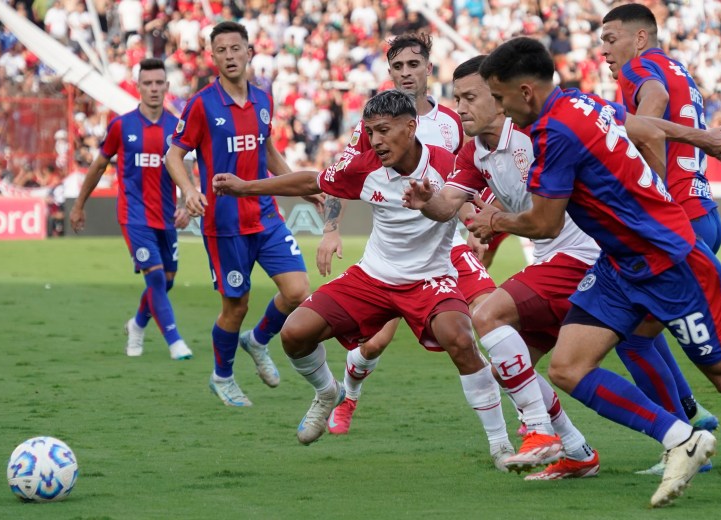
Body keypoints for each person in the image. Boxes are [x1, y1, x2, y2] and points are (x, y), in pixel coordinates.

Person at [470, 37, 721, 508]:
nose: (500, 108)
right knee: (568, 368)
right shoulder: (581, 103)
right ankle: (681, 439)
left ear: (526, 92)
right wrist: (661, 185)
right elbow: (646, 130)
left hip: (673, 265)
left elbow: (545, 224)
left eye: (500, 97)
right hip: (619, 266)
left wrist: (495, 221)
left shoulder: (556, 132)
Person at [405, 55, 721, 480]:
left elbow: (638, 127)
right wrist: (426, 201)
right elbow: (447, 205)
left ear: (499, 97)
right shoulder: (473, 153)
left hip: (584, 253)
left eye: (470, 97)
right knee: (513, 369)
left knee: (489, 316)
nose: (460, 107)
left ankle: (545, 431)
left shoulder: (537, 129)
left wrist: (699, 138)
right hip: (553, 258)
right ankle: (581, 450)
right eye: (456, 98)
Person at [213, 89, 510, 469]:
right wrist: (245, 187)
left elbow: (479, 196)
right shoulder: (363, 167)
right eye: (370, 132)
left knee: (462, 339)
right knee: (294, 333)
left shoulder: (446, 164)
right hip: (374, 276)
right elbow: (311, 182)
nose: (376, 141)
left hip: (430, 277)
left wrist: (481, 224)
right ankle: (327, 392)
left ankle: (501, 445)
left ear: (411, 127)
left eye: (384, 130)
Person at [318, 33, 494, 438]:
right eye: (397, 66)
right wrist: (331, 229)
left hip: (445, 246)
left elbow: (463, 178)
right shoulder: (376, 123)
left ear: (429, 68)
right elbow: (343, 175)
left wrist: (474, 223)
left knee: (491, 316)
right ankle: (348, 396)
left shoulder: (453, 121)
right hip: (394, 254)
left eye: (413, 64)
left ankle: (525, 418)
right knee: (374, 345)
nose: (405, 73)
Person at [164, 22, 313, 406]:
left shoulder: (263, 99)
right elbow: (173, 155)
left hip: (266, 215)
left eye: (236, 48)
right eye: (222, 50)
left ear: (249, 52)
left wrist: (298, 185)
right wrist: (190, 190)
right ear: (213, 57)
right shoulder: (202, 104)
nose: (229, 55)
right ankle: (223, 377)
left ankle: (258, 340)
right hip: (225, 224)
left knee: (298, 291)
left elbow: (267, 151)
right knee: (236, 307)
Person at [600, 3, 721, 448]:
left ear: (639, 38)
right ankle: (691, 414)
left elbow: (652, 109)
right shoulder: (677, 69)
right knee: (641, 331)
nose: (604, 51)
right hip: (702, 213)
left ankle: (685, 442)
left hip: (676, 222)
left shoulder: (637, 68)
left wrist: (633, 171)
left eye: (610, 39)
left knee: (631, 340)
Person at [70, 58, 193, 361]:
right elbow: (99, 166)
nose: (154, 88)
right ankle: (175, 341)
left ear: (167, 86)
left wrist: (185, 205)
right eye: (147, 83)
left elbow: (185, 168)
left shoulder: (176, 128)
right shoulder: (121, 126)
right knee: (155, 278)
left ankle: (137, 325)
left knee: (167, 280)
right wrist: (79, 205)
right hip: (134, 216)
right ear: (138, 87)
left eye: (159, 83)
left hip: (166, 216)